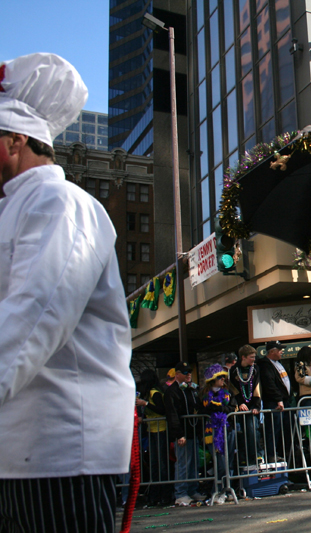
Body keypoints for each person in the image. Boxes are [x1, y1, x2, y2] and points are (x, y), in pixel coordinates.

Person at [0, 53, 135, 531]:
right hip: (20, 449)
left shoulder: (61, 202)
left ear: (13, 143)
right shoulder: (17, 209)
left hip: (60, 449)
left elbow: (36, 313)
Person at [165, 362, 207, 506]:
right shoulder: (172, 391)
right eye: (185, 372)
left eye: (189, 372)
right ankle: (181, 493)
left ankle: (192, 489)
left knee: (194, 462)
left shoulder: (192, 390)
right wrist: (179, 434)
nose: (188, 375)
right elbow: (173, 414)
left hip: (193, 432)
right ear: (177, 374)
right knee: (182, 463)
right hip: (183, 434)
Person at [200, 364, 236, 505]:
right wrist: (212, 408)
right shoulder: (203, 394)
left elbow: (232, 408)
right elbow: (202, 409)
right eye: (219, 377)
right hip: (211, 431)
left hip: (227, 428)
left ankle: (228, 490)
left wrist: (219, 407)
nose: (223, 380)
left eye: (223, 377)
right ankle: (219, 490)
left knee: (229, 461)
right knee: (219, 462)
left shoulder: (228, 393)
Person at [140, 369, 172, 506]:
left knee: (161, 464)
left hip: (160, 430)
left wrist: (146, 404)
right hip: (152, 430)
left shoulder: (155, 393)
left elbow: (162, 410)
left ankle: (165, 495)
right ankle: (154, 494)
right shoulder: (148, 393)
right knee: (154, 464)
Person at [229, 345, 261, 466]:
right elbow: (233, 389)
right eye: (251, 357)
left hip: (252, 407)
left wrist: (256, 406)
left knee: (253, 430)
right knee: (242, 433)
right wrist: (240, 403)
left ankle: (255, 456)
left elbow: (257, 387)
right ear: (243, 357)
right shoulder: (233, 370)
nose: (254, 359)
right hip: (240, 408)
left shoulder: (256, 369)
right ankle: (244, 458)